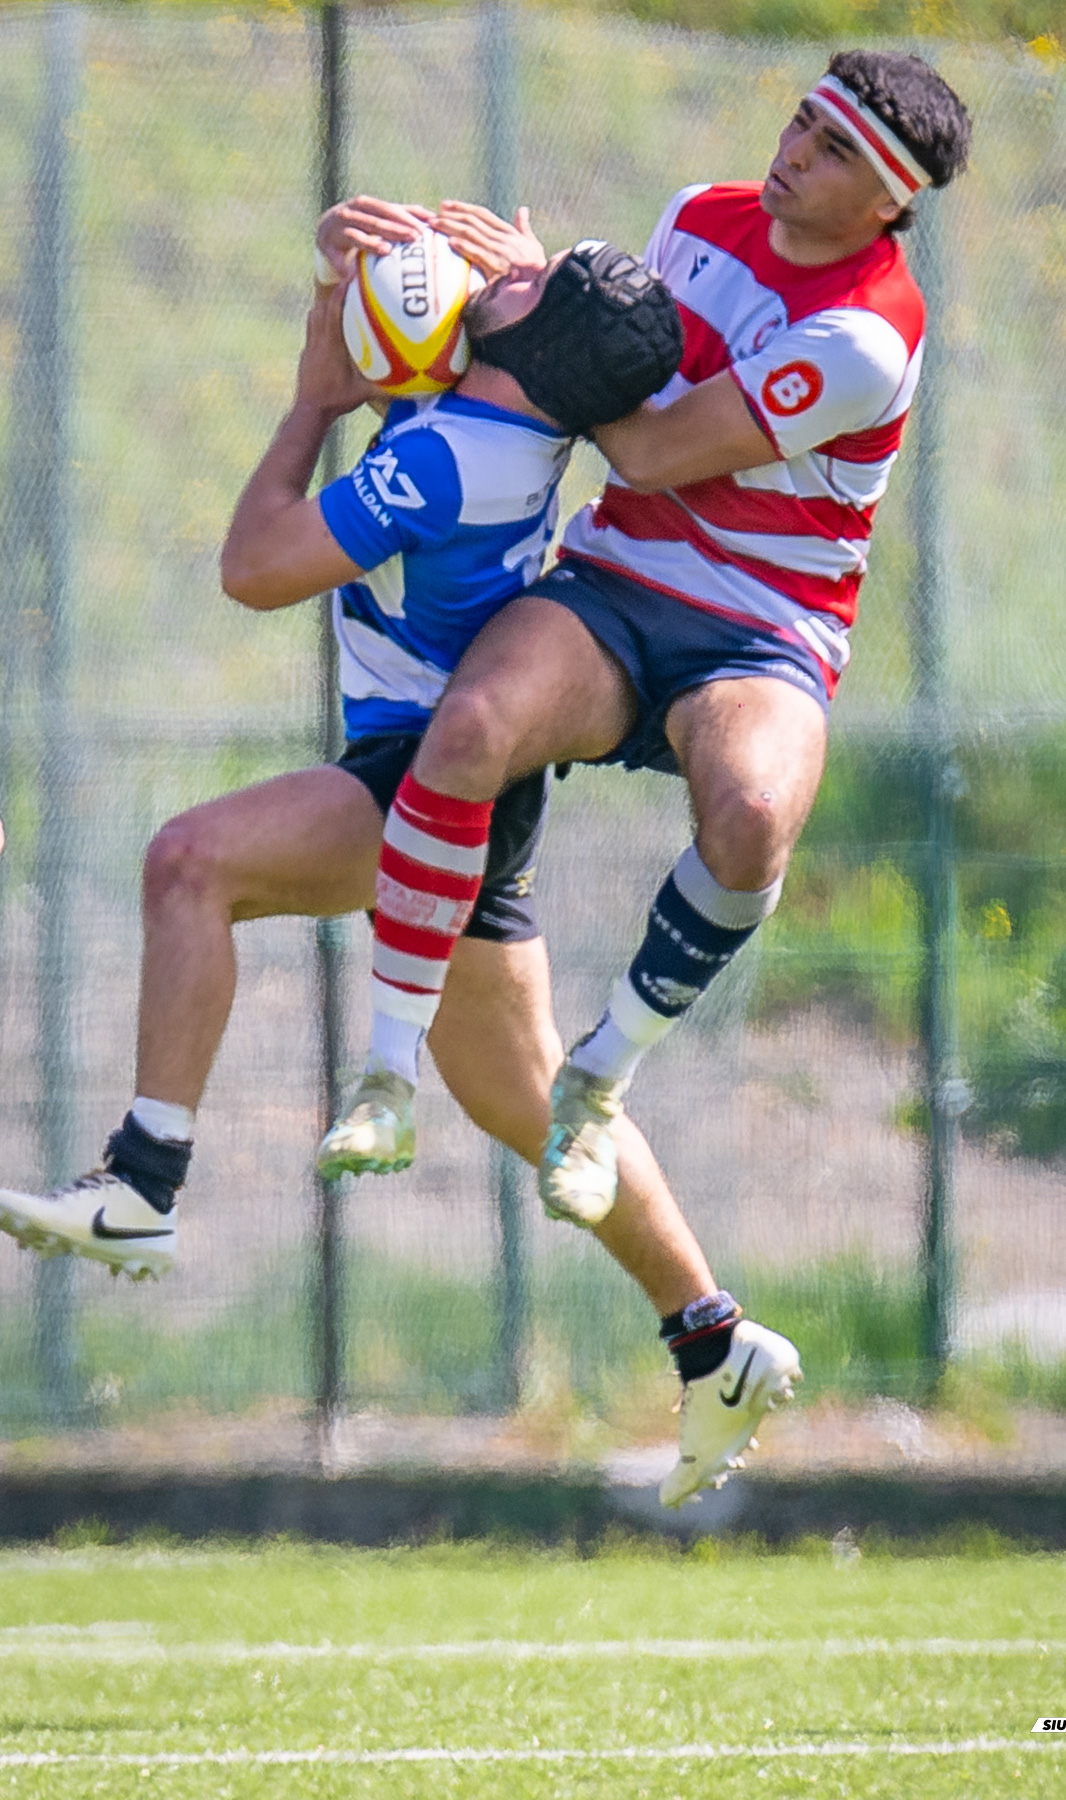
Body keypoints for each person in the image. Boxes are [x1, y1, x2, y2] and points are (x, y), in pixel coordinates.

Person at [0, 215, 797, 1508]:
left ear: (529, 338)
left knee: (190, 864)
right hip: (477, 775)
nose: (501, 271)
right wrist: (362, 249)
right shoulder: (519, 408)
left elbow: (254, 570)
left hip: (426, 782)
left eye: (528, 281)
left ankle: (142, 1181)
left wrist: (314, 401)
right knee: (519, 1093)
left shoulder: (447, 454)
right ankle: (714, 1336)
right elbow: (423, 275)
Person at [330, 52, 971, 1229]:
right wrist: (433, 292)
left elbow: (656, 447)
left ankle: (599, 1078)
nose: (792, 156)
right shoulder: (696, 218)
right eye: (798, 126)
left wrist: (550, 302)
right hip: (619, 576)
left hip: (766, 628)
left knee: (754, 821)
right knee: (470, 726)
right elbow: (618, 371)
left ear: (892, 204)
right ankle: (382, 1077)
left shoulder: (867, 334)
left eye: (833, 155)